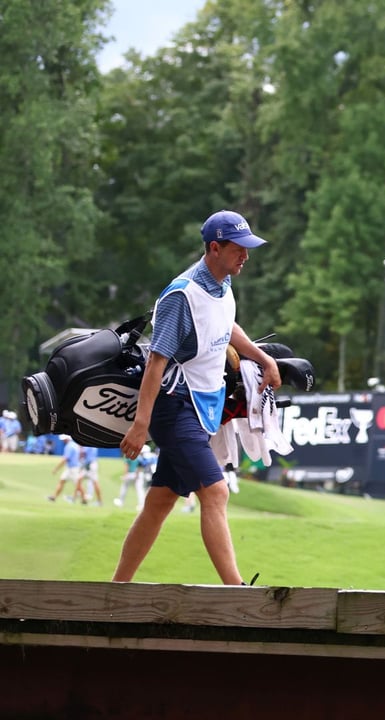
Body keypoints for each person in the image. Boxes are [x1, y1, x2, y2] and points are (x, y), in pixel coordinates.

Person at [112, 210, 280, 586]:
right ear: (214, 248)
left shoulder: (222, 284)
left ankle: (116, 589)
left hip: (199, 406)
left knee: (159, 502)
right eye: (239, 249)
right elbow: (156, 362)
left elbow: (226, 325)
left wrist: (263, 358)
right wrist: (141, 425)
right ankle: (237, 591)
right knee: (216, 491)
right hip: (174, 407)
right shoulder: (181, 295)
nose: (246, 257)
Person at [47, 434, 83, 502]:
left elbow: (65, 459)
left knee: (78, 485)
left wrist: (56, 468)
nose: (63, 441)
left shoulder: (69, 446)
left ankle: (84, 498)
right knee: (62, 481)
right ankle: (54, 497)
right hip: (70, 467)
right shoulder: (74, 445)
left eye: (64, 439)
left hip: (73, 468)